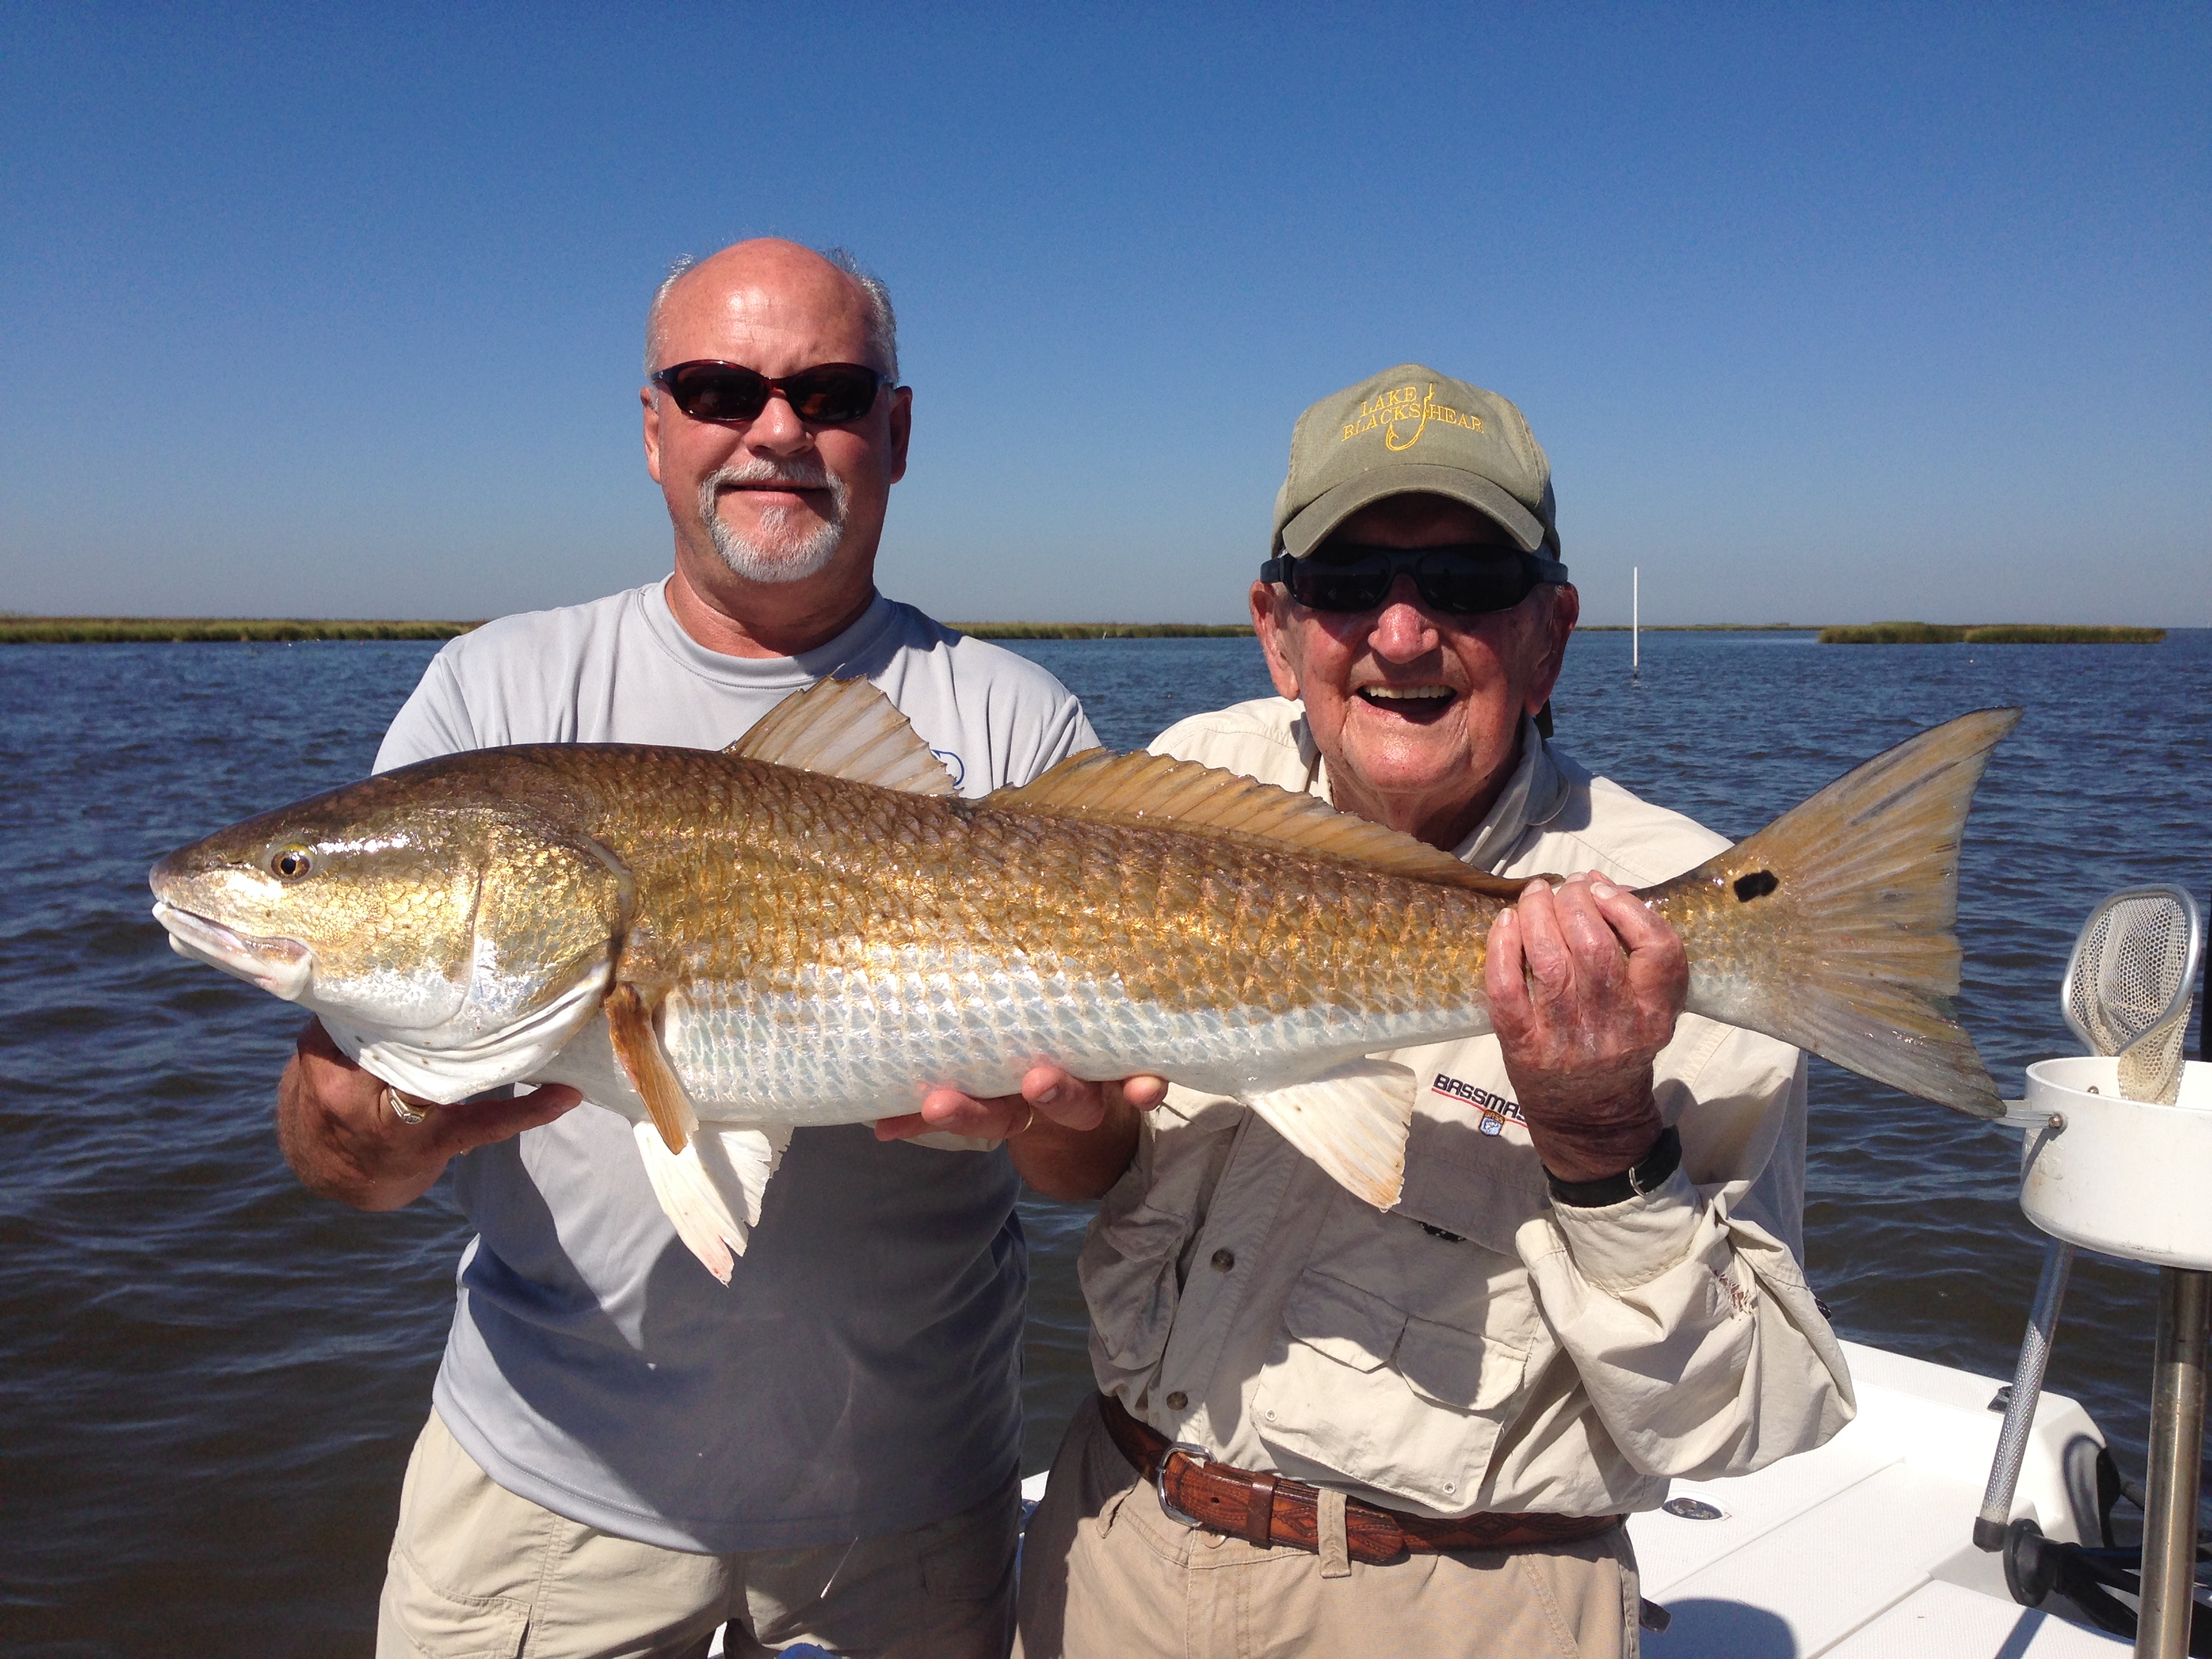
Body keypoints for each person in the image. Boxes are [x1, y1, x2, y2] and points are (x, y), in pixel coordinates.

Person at [276, 238, 1149, 1659]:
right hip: (545, 1501)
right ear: (653, 429)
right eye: (718, 389)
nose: (776, 430)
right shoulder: (495, 694)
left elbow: (1088, 1169)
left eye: (830, 393)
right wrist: (367, 1123)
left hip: (913, 1512)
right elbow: (338, 1165)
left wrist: (1065, 1121)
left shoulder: (1015, 719)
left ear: (897, 432)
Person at [1015, 367, 1853, 1658]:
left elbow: (1746, 1418)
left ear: (1551, 632)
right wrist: (1059, 1125)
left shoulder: (1675, 915)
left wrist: (1602, 1144)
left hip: (1462, 1601)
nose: (1402, 634)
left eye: (1465, 581)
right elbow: (1094, 1164)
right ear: (1276, 627)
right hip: (1115, 1542)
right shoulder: (1173, 796)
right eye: (1348, 583)